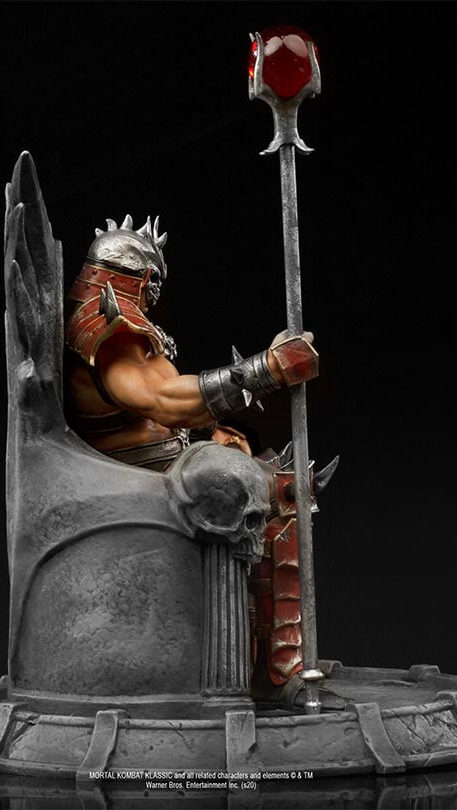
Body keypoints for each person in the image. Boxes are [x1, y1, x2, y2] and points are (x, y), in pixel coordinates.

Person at [65, 215, 327, 706]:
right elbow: (163, 401)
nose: (156, 295)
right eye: (155, 283)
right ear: (144, 278)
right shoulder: (108, 326)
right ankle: (270, 675)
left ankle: (271, 662)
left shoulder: (113, 320)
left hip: (160, 459)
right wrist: (267, 369)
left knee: (282, 481)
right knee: (270, 490)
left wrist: (212, 432)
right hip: (133, 473)